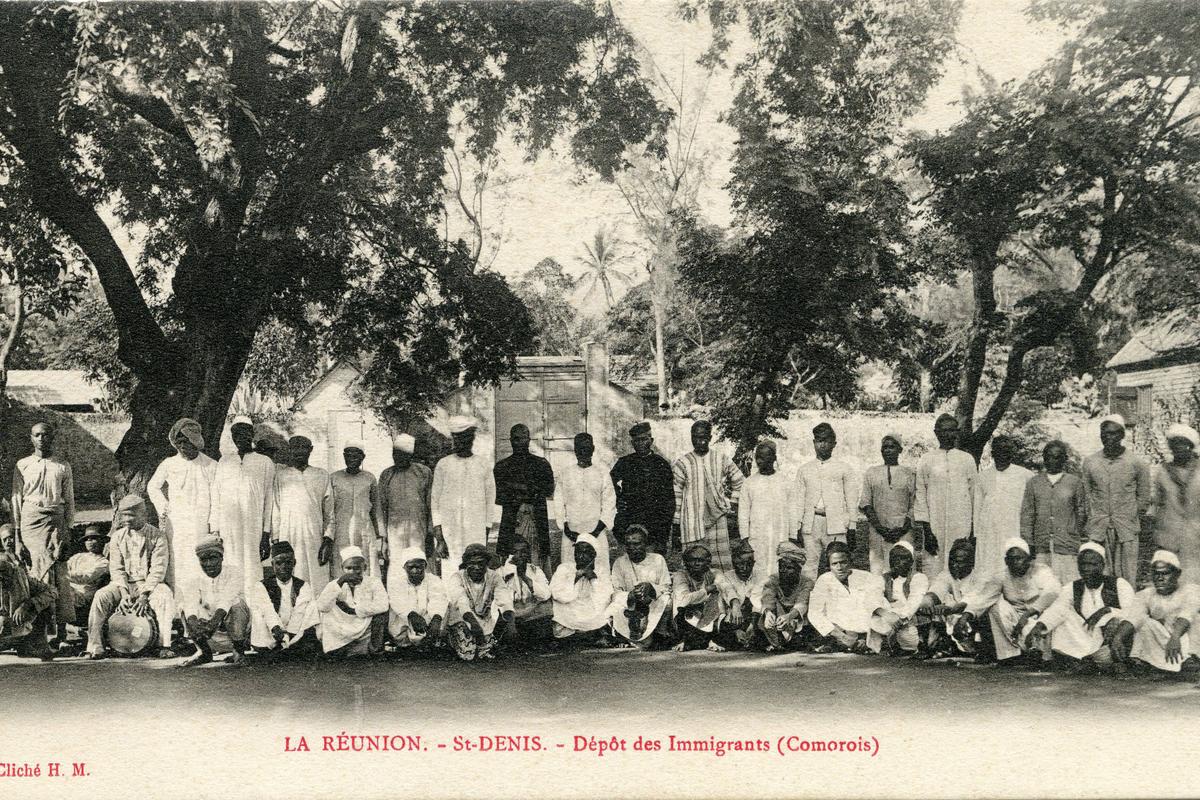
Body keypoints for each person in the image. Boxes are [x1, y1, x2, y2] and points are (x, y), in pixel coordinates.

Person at [85, 495, 176, 660]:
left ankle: (163, 645)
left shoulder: (157, 536)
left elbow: (158, 569)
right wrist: (124, 593)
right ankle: (95, 646)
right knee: (101, 596)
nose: (126, 519)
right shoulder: (117, 536)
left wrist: (144, 595)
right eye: (123, 515)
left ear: (143, 515)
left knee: (165, 596)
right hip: (123, 585)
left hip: (149, 585)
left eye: (131, 515)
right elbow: (116, 568)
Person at [1023, 542, 1135, 673]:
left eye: (1092, 564)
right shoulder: (1072, 587)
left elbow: (1133, 612)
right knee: (1063, 615)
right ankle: (1082, 661)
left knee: (1115, 621)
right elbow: (1058, 609)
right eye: (1083, 564)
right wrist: (1040, 625)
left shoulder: (1119, 584)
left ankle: (1109, 662)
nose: (1086, 568)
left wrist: (1107, 610)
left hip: (1111, 638)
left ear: (1102, 565)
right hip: (1086, 636)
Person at [11, 421, 76, 641]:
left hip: (56, 522)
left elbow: (69, 500)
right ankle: (39, 632)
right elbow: (16, 500)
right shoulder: (22, 465)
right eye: (37, 435)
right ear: (31, 438)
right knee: (38, 572)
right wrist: (18, 537)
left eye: (45, 435)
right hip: (31, 523)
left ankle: (60, 631)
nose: (41, 439)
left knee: (58, 572)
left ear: (52, 438)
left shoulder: (62, 466)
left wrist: (67, 530)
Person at [958, 537, 1060, 665]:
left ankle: (1040, 654)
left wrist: (1027, 614)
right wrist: (965, 616)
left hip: (1039, 617)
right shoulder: (1002, 576)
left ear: (1029, 559)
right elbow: (984, 597)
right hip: (1015, 621)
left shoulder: (1041, 571)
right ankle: (1010, 655)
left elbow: (1053, 592)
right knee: (994, 606)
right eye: (1011, 559)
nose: (1015, 563)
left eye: (1019, 558)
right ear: (1006, 561)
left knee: (1050, 615)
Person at [148, 417, 219, 595]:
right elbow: (152, 486)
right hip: (177, 523)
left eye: (186, 442)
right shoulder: (169, 464)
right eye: (179, 443)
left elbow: (217, 499)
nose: (182, 447)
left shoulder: (211, 465)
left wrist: (214, 525)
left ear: (195, 442)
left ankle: (202, 603)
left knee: (199, 560)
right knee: (178, 561)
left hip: (201, 523)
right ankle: (179, 604)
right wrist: (163, 507)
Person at [1080, 414, 1151, 585]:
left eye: (1113, 433)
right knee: (1100, 575)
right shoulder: (1090, 462)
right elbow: (1086, 495)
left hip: (1126, 529)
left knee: (1126, 576)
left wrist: (1130, 515)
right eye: (1104, 434)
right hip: (1098, 528)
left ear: (1122, 435)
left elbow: (1143, 498)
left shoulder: (1136, 463)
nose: (1108, 438)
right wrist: (1093, 517)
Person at [673, 420, 745, 571]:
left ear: (710, 438)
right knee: (694, 561)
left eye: (703, 437)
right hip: (691, 519)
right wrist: (676, 523)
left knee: (720, 562)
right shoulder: (682, 463)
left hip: (717, 518)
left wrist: (733, 504)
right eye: (695, 437)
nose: (699, 441)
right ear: (691, 437)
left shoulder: (721, 458)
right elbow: (677, 494)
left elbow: (739, 480)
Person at [214, 415, 275, 594]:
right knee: (230, 567)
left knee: (252, 569)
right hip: (228, 528)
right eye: (236, 434)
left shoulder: (265, 462)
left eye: (244, 433)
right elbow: (216, 496)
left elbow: (269, 499)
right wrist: (215, 529)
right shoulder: (224, 462)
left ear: (252, 434)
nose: (240, 438)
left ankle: (254, 607)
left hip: (253, 528)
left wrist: (266, 533)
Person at [431, 416, 496, 573]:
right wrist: (439, 537)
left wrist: (486, 531)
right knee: (451, 571)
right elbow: (435, 501)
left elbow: (490, 499)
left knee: (475, 569)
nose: (461, 442)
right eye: (457, 438)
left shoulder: (483, 464)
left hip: (476, 529)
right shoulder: (443, 464)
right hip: (450, 530)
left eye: (465, 438)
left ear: (472, 439)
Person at [914, 413, 976, 576]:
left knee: (960, 564)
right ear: (936, 433)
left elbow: (974, 495)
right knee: (934, 564)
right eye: (944, 430)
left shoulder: (967, 460)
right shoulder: (926, 460)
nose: (948, 434)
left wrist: (972, 531)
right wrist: (927, 531)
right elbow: (921, 495)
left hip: (961, 522)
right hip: (935, 523)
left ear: (957, 432)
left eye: (952, 430)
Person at [271, 436, 333, 596]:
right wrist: (276, 539)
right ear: (289, 450)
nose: (299, 452)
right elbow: (276, 509)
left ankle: (318, 609)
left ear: (310, 450)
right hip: (288, 536)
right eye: (295, 448)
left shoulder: (322, 475)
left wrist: (328, 539)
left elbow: (329, 512)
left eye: (303, 447)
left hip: (314, 536)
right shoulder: (281, 476)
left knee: (317, 578)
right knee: (291, 575)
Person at [1020, 440, 1087, 585]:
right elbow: (1027, 515)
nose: (1052, 461)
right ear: (1044, 458)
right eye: (1048, 457)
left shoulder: (1075, 482)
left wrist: (1072, 533)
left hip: (1067, 545)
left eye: (1057, 457)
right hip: (1041, 546)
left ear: (1064, 459)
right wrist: (1029, 542)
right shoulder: (1034, 483)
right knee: (1042, 586)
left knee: (1068, 585)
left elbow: (1081, 512)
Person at [1123, 550, 1200, 674]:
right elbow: (1134, 617)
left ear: (1177, 574)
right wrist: (1118, 638)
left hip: (1183, 640)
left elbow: (1187, 614)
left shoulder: (1191, 590)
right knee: (1144, 622)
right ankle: (1142, 660)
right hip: (1164, 641)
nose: (1160, 578)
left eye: (1165, 573)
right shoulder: (1145, 594)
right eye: (1156, 574)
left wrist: (1175, 637)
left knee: (1196, 618)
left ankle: (1191, 658)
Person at [178, 535, 251, 666]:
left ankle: (238, 651)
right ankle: (204, 652)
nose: (208, 564)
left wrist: (213, 623)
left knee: (237, 603)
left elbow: (226, 600)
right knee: (184, 607)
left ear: (221, 557)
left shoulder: (234, 573)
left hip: (236, 633)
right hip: (208, 633)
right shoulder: (194, 577)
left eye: (213, 558)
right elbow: (190, 602)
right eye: (203, 559)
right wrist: (194, 623)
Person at [795, 423, 857, 577]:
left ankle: (838, 591)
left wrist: (852, 527)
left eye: (826, 441)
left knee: (837, 563)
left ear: (834, 444)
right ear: (814, 442)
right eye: (818, 440)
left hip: (836, 523)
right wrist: (797, 526)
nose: (822, 445)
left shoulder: (844, 468)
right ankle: (809, 591)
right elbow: (798, 500)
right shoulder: (804, 469)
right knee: (809, 565)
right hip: (811, 523)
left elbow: (851, 499)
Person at [494, 424, 556, 569]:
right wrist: (528, 491)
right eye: (516, 439)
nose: (520, 442)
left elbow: (548, 490)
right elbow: (500, 496)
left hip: (536, 520)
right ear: (511, 441)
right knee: (510, 561)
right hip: (511, 520)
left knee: (537, 559)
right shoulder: (502, 467)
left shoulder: (542, 464)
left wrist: (517, 490)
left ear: (529, 440)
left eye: (523, 438)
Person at [376, 433, 434, 583]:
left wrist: (430, 533)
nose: (398, 458)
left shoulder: (423, 473)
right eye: (395, 454)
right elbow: (381, 508)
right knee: (397, 567)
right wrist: (384, 539)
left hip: (419, 531)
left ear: (410, 455)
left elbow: (431, 504)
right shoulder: (386, 475)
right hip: (394, 533)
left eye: (402, 454)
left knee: (420, 565)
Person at [555, 432, 616, 576]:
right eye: (580, 448)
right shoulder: (565, 473)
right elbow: (558, 502)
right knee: (570, 571)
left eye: (587, 448)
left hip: (596, 531)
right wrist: (567, 529)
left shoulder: (602, 473)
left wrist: (595, 532)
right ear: (575, 450)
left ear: (593, 449)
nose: (583, 452)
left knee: (599, 571)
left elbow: (609, 503)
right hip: (572, 533)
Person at [247, 540, 320, 658]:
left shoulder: (303, 585)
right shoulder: (261, 585)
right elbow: (268, 611)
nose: (283, 567)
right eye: (279, 563)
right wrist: (276, 629)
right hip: (272, 632)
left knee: (312, 606)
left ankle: (288, 646)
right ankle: (278, 648)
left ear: (294, 563)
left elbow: (299, 613)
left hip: (293, 632)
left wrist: (289, 635)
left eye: (288, 562)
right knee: (259, 611)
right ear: (272, 564)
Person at [611, 422, 675, 554]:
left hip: (653, 522)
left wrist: (663, 533)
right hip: (629, 519)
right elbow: (609, 483)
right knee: (627, 557)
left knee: (652, 559)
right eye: (636, 440)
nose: (640, 443)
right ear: (632, 443)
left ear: (651, 440)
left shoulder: (661, 464)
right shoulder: (625, 462)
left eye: (644, 439)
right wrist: (618, 499)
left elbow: (669, 500)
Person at [974, 435, 1033, 578]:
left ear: (1012, 453)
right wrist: (976, 535)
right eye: (998, 450)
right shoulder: (982, 477)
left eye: (1006, 451)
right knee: (988, 568)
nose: (1002, 454)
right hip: (989, 533)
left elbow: (1031, 508)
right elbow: (977, 508)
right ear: (993, 453)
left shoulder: (1026, 475)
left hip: (1014, 529)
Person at [316, 545, 389, 656]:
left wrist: (354, 610)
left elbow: (383, 605)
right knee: (328, 610)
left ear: (365, 567)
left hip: (365, 624)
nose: (352, 572)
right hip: (342, 626)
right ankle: (338, 649)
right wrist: (340, 582)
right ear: (342, 568)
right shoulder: (335, 584)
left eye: (357, 568)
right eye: (348, 568)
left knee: (381, 616)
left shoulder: (374, 582)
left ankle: (375, 650)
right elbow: (322, 606)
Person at [918, 538, 986, 659]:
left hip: (968, 619)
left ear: (971, 562)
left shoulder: (979, 577)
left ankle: (975, 649)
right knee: (928, 606)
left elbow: (968, 604)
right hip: (951, 618)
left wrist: (948, 608)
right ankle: (935, 646)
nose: (954, 565)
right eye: (952, 560)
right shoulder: (946, 574)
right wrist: (926, 603)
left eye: (960, 562)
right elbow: (935, 592)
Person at [859, 434, 917, 576]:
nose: (888, 450)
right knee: (878, 571)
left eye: (892, 447)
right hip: (878, 531)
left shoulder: (909, 473)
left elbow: (914, 503)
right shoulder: (871, 473)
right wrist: (881, 529)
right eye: (885, 447)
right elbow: (866, 503)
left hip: (903, 531)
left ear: (900, 450)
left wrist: (902, 529)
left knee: (904, 569)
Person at [444, 543, 513, 661]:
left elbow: (504, 599)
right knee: (468, 654)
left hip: (483, 619)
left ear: (487, 564)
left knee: (485, 651)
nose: (476, 567)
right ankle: (451, 639)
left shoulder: (494, 577)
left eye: (481, 563)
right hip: (462, 618)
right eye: (472, 563)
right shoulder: (457, 577)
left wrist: (511, 623)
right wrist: (473, 624)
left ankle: (484, 645)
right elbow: (461, 603)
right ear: (466, 564)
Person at [1150, 423, 1200, 584]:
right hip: (1169, 536)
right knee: (1172, 580)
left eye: (1183, 444)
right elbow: (1157, 504)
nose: (1179, 448)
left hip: (1195, 537)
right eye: (1175, 444)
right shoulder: (1163, 473)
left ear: (1191, 447)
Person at [808, 541, 879, 653]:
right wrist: (842, 637)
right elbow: (814, 613)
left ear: (850, 562)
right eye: (834, 564)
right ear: (829, 565)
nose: (839, 567)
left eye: (843, 562)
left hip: (864, 630)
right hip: (837, 630)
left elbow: (876, 605)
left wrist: (865, 636)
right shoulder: (824, 580)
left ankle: (862, 642)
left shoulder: (865, 577)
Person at [738, 440, 797, 574]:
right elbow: (743, 513)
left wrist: (793, 536)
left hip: (780, 535)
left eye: (764, 457)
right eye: (757, 457)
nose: (759, 461)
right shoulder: (749, 483)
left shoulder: (785, 482)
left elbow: (793, 511)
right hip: (757, 536)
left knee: (779, 567)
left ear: (774, 458)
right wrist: (745, 538)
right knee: (758, 568)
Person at [609, 525, 672, 648]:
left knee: (667, 601)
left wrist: (651, 588)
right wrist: (630, 595)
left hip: (651, 603)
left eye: (636, 544)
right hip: (630, 606)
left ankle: (660, 635)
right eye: (628, 544)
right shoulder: (619, 562)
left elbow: (666, 587)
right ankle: (625, 636)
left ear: (645, 544)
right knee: (614, 607)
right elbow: (616, 592)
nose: (632, 548)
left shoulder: (658, 559)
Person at [0, 525, 54, 660]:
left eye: (11, 537)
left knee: (45, 603)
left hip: (16, 626)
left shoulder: (19, 575)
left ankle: (31, 645)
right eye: (4, 539)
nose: (8, 541)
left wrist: (27, 604)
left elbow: (52, 591)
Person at [549, 533, 614, 645]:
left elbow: (604, 598)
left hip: (591, 609)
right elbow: (557, 594)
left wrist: (593, 578)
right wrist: (575, 578)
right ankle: (589, 635)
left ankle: (581, 635)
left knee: (605, 614)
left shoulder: (601, 571)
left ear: (594, 554)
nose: (580, 556)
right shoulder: (564, 568)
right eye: (578, 552)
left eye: (585, 552)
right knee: (560, 617)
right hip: (570, 608)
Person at [867, 541, 930, 655]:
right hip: (888, 617)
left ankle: (896, 643)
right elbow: (873, 598)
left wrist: (898, 620)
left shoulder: (918, 578)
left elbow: (913, 604)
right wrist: (886, 614)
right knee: (874, 609)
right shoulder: (883, 578)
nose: (896, 562)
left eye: (902, 558)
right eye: (894, 558)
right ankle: (887, 643)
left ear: (911, 561)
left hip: (907, 620)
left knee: (909, 639)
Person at [328, 443, 380, 578]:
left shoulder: (369, 478)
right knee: (342, 566)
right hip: (341, 531)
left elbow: (376, 509)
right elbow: (329, 509)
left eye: (355, 456)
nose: (351, 459)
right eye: (348, 455)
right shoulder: (334, 478)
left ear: (362, 457)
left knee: (365, 566)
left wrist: (380, 536)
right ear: (344, 457)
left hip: (364, 530)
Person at [758, 540, 815, 653]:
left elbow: (802, 602)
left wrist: (789, 616)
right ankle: (776, 642)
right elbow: (768, 597)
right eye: (781, 567)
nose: (783, 571)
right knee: (762, 611)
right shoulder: (773, 579)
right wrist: (768, 613)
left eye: (789, 568)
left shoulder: (807, 583)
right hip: (779, 620)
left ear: (799, 569)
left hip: (798, 619)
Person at [387, 546, 447, 653]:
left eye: (419, 567)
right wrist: (411, 615)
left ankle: (429, 641)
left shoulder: (434, 580)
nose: (415, 570)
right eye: (411, 567)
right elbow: (397, 602)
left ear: (425, 566)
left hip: (429, 620)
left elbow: (439, 599)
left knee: (446, 608)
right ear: (404, 567)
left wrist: (436, 618)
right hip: (405, 622)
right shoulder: (397, 582)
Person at [713, 538, 766, 650]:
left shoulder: (761, 576)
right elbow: (728, 591)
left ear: (754, 563)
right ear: (733, 563)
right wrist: (735, 604)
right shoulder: (726, 576)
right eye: (740, 564)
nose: (744, 568)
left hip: (754, 618)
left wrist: (752, 625)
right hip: (731, 622)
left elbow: (758, 600)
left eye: (749, 564)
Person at [671, 544, 724, 651]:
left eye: (701, 560)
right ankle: (684, 639)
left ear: (708, 562)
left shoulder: (714, 573)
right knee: (677, 602)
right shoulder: (681, 575)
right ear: (686, 562)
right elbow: (683, 599)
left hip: (707, 612)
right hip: (687, 614)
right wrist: (707, 590)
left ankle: (712, 639)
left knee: (718, 596)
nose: (696, 563)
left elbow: (722, 587)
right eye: (692, 560)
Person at [500, 538, 552, 647]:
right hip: (511, 614)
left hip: (530, 613)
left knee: (547, 606)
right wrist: (510, 574)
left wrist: (524, 577)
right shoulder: (501, 572)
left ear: (528, 554)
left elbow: (545, 595)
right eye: (515, 552)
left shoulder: (535, 570)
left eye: (523, 552)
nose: (519, 555)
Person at [67, 525, 110, 627]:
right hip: (70, 589)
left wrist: (62, 575)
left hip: (83, 595)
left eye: (94, 538)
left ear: (102, 541)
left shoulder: (103, 562)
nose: (90, 542)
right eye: (87, 539)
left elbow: (85, 578)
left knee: (57, 592)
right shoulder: (78, 557)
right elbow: (65, 567)